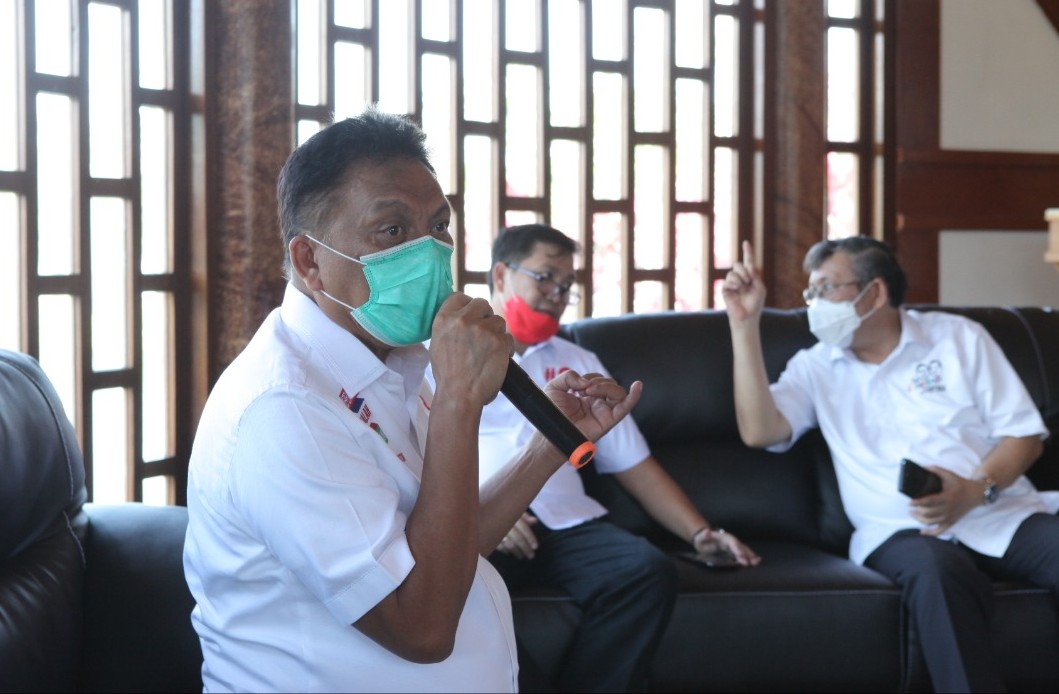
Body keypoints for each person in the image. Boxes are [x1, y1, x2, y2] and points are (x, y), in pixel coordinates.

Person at [182, 109, 644, 693]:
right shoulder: (282, 408)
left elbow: (447, 546)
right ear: (309, 262)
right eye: (393, 231)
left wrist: (546, 444)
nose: (428, 253)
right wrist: (458, 400)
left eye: (439, 226)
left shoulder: (391, 359)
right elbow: (421, 627)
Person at [428, 224, 760, 693]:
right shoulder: (442, 357)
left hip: (569, 524)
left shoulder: (578, 361)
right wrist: (477, 511)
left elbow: (634, 465)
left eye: (567, 286)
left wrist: (700, 532)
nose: (557, 295)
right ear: (501, 275)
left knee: (645, 572)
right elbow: (417, 457)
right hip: (482, 520)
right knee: (453, 591)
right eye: (545, 277)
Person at [722, 236, 1059, 693]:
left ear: (875, 292)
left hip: (995, 507)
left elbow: (1023, 436)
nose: (814, 304)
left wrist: (972, 491)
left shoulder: (958, 338)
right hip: (900, 530)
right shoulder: (816, 366)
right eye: (811, 292)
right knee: (938, 577)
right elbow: (759, 431)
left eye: (826, 289)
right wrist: (744, 327)